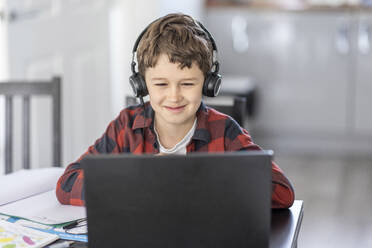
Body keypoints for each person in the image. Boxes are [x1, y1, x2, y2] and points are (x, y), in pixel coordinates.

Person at [56, 13, 294, 208]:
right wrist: (135, 179)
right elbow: (67, 184)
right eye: (161, 84)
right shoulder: (125, 126)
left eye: (188, 84)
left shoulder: (225, 131)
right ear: (141, 84)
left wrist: (199, 179)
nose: (174, 96)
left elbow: (282, 192)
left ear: (208, 83)